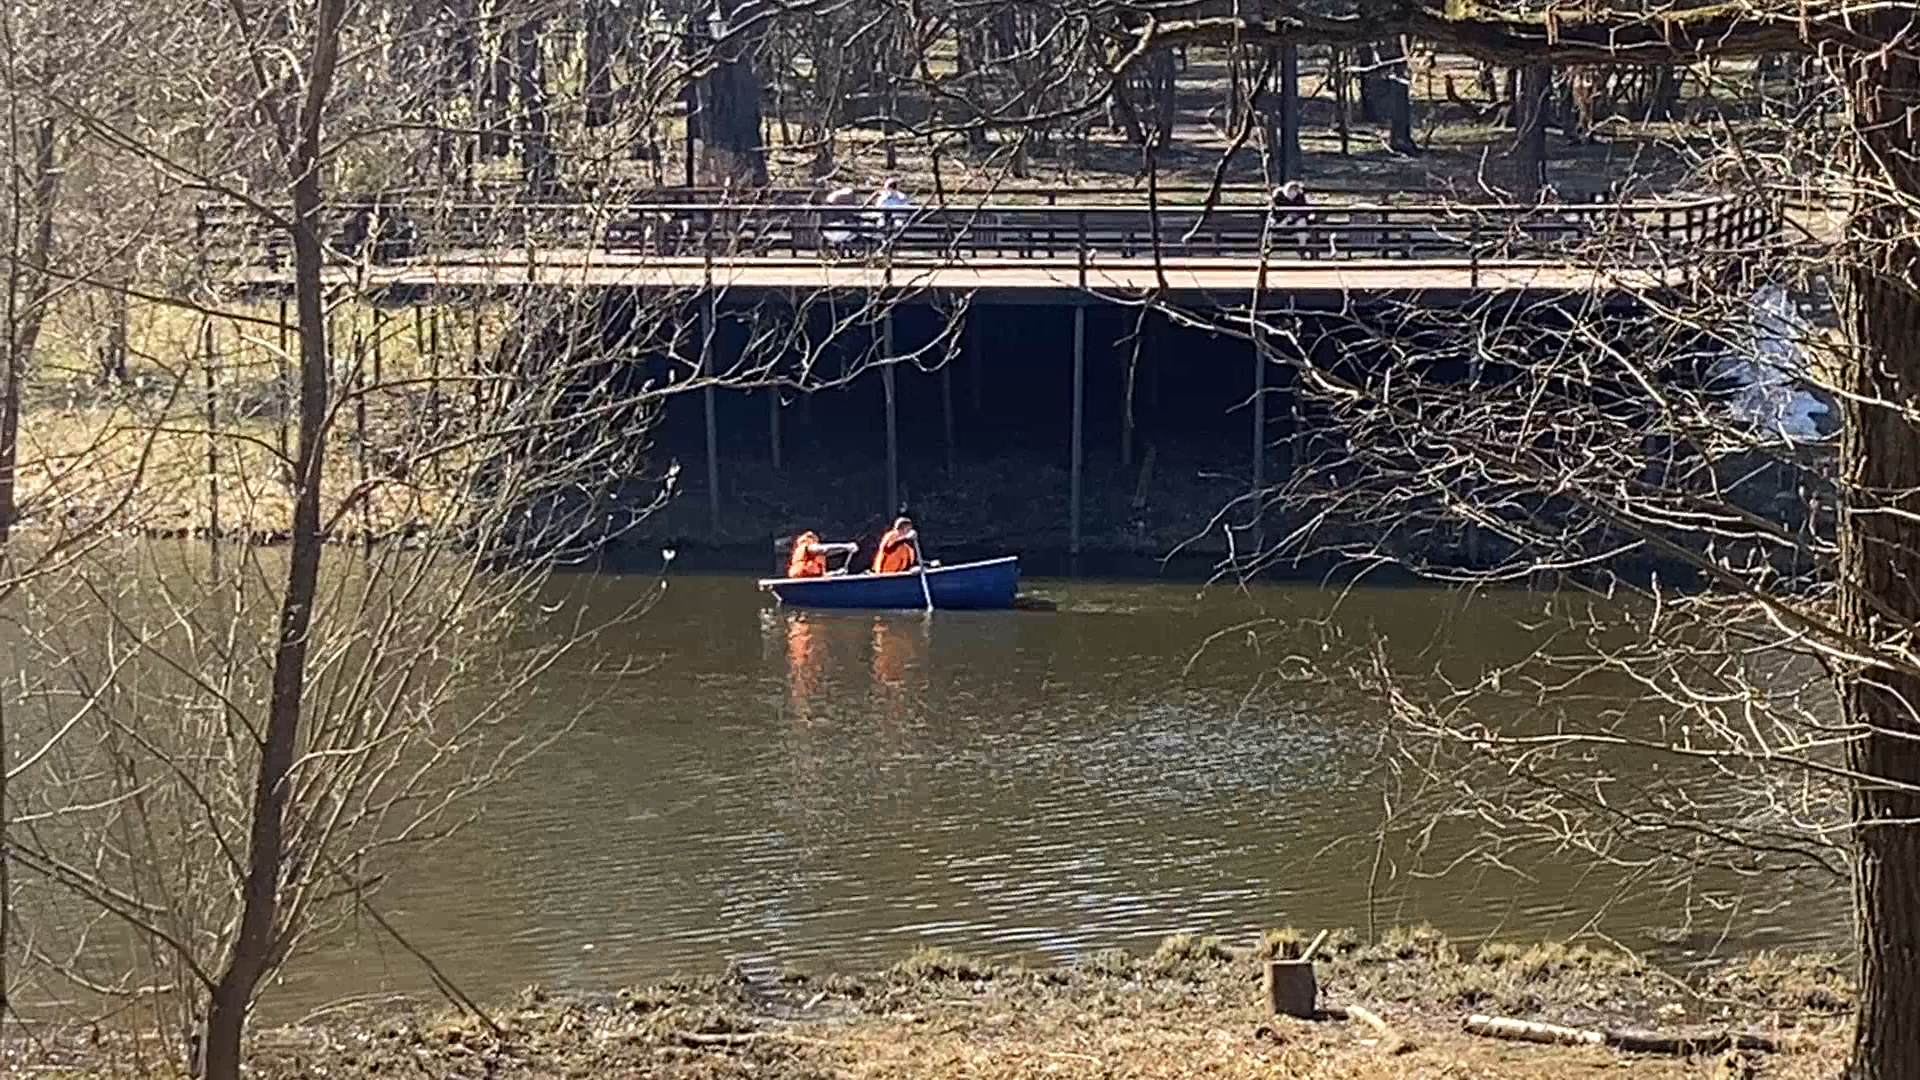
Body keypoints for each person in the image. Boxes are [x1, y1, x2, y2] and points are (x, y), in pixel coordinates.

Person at [787, 530, 857, 578]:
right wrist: (846, 547)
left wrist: (836, 573)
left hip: (812, 582)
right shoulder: (807, 547)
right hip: (803, 582)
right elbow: (825, 550)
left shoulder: (815, 556)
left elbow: (821, 576)